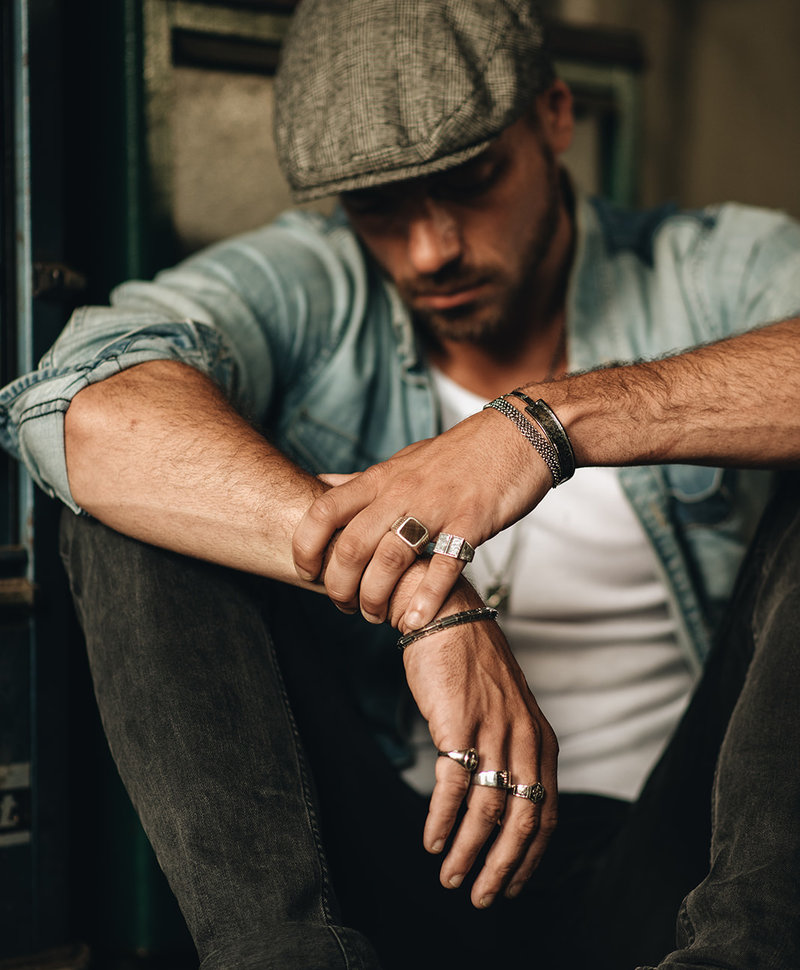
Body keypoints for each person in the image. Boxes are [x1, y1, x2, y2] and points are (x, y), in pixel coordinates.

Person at [1, 1, 799, 968]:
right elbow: (85, 402)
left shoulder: (707, 270)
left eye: (471, 184)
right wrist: (431, 599)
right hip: (405, 866)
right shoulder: (314, 284)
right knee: (139, 508)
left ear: (553, 118)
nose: (431, 251)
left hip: (682, 861)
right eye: (381, 209)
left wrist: (542, 427)